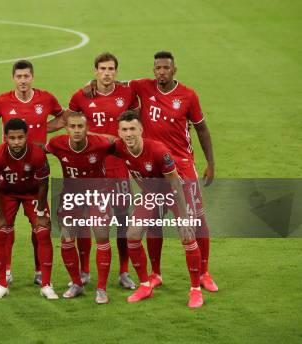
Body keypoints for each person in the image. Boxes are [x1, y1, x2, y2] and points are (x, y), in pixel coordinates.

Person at [0, 60, 63, 287]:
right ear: (13, 78)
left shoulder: (46, 98)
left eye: (26, 76)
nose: (23, 80)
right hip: (7, 176)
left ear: (32, 77)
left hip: (34, 174)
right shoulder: (2, 101)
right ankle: (6, 271)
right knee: (3, 227)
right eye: (19, 76)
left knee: (39, 227)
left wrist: (42, 128)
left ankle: (40, 271)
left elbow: (64, 117)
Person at [127, 52, 217, 292]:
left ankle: (204, 273)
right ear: (153, 69)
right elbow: (114, 86)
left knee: (196, 219)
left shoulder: (188, 95)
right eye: (158, 68)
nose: (162, 72)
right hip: (154, 168)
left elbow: (202, 130)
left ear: (174, 70)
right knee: (154, 220)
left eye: (166, 68)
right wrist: (92, 85)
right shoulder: (143, 87)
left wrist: (211, 163)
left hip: (183, 167)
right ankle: (156, 273)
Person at [57, 52, 138, 290]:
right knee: (84, 219)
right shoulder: (80, 96)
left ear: (116, 71)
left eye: (111, 69)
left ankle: (124, 272)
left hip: (119, 167)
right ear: (95, 71)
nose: (107, 73)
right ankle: (84, 272)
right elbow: (70, 126)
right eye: (102, 69)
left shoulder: (127, 93)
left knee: (123, 220)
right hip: (90, 169)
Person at [114, 110, 203, 308]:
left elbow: (175, 184)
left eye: (132, 129)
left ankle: (196, 290)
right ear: (119, 132)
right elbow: (97, 141)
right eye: (124, 130)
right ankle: (145, 285)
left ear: (141, 130)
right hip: (151, 193)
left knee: (187, 235)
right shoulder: (119, 146)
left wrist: (185, 218)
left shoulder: (158, 150)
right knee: (133, 234)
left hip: (174, 191)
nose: (129, 134)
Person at [46, 112, 117, 303]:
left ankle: (101, 288)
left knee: (101, 234)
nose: (76, 130)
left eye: (80, 126)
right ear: (66, 128)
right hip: (72, 193)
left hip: (98, 192)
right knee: (66, 237)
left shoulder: (101, 144)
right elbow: (35, 150)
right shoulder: (56, 144)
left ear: (87, 128)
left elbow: (123, 146)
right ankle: (76, 283)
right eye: (72, 126)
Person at [0, 118, 58, 300]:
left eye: (20, 137)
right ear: (5, 137)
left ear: (26, 136)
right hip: (6, 193)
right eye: (12, 138)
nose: (16, 142)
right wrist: (0, 215)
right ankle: (2, 283)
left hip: (32, 193)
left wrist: (41, 213)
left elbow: (43, 184)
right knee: (0, 231)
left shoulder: (37, 154)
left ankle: (46, 284)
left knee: (43, 231)